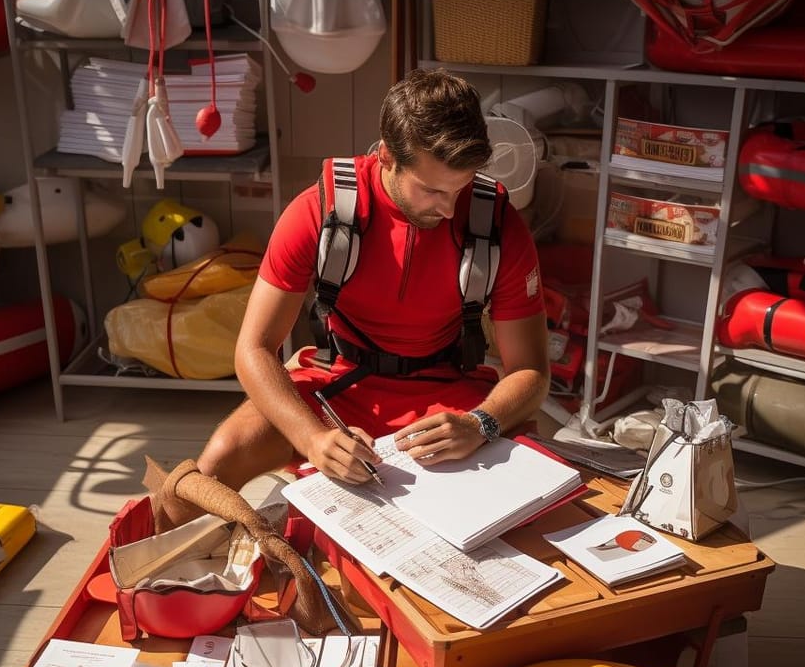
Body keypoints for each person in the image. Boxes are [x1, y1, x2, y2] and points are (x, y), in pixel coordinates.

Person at [195, 67, 549, 494]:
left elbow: (530, 370)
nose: (451, 210)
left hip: (450, 395)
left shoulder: (497, 224)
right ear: (386, 156)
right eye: (433, 191)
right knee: (217, 462)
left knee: (526, 489)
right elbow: (253, 350)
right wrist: (312, 438)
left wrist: (481, 423)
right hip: (339, 383)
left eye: (461, 188)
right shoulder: (319, 212)